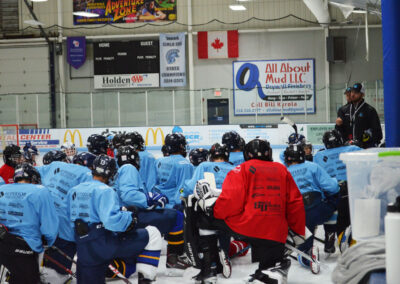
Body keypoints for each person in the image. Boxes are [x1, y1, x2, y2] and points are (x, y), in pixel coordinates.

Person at [186, 139, 305, 284]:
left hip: (250, 226)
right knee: (268, 252)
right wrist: (298, 231)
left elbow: (230, 202)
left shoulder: (241, 169)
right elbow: (295, 203)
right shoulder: (282, 170)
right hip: (276, 232)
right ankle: (269, 270)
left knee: (202, 218)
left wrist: (212, 210)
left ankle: (209, 268)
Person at [67, 155, 162, 283]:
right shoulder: (106, 191)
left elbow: (70, 219)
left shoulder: (74, 190)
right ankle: (145, 279)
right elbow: (112, 222)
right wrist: (130, 218)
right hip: (103, 244)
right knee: (153, 233)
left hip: (83, 249)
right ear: (111, 173)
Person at [113, 146, 190, 276]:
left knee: (130, 267)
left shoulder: (119, 171)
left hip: (123, 217)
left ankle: (106, 267)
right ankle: (174, 259)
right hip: (131, 216)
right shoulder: (129, 168)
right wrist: (148, 199)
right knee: (176, 216)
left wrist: (150, 198)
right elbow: (128, 194)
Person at [37, 153, 93, 283]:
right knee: (56, 275)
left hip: (42, 220)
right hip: (65, 229)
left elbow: (30, 172)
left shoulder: (56, 165)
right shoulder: (87, 174)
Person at [0, 163, 59, 284]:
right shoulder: (40, 191)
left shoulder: (2, 189)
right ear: (33, 178)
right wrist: (47, 241)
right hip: (25, 246)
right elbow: (49, 225)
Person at [284, 144, 339, 269]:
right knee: (334, 199)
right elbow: (333, 187)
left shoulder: (283, 173)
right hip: (319, 210)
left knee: (303, 251)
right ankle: (330, 233)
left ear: (287, 158)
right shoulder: (313, 166)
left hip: (298, 218)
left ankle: (308, 254)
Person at [313, 129, 361, 252]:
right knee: (349, 216)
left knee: (331, 210)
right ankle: (350, 238)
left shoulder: (318, 156)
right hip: (352, 191)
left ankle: (330, 235)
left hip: (331, 194)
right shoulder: (352, 149)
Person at [154, 133, 194, 209]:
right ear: (180, 146)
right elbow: (182, 188)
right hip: (173, 207)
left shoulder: (158, 161)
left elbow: (154, 183)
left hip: (158, 204)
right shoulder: (185, 164)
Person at [348, 83, 383, 148]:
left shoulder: (370, 110)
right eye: (352, 92)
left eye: (356, 92)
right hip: (350, 148)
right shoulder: (346, 110)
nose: (352, 94)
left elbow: (377, 134)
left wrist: (362, 142)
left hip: (365, 149)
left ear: (362, 94)